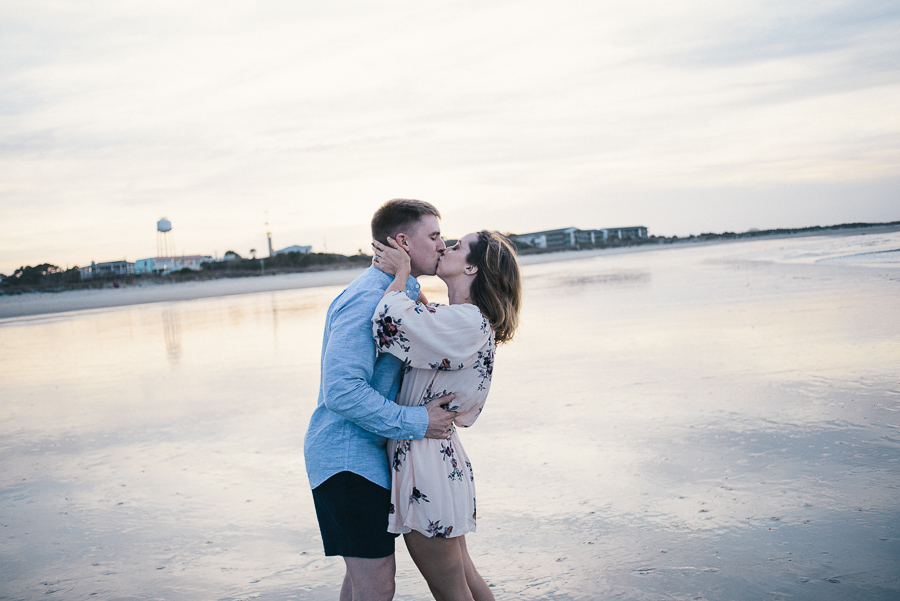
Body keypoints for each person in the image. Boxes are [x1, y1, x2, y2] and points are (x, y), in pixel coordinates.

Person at [304, 199, 460, 601]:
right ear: (403, 242)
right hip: (346, 459)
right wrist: (419, 422)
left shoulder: (401, 293)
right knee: (377, 586)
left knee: (360, 583)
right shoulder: (365, 299)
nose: (443, 245)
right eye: (435, 236)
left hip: (362, 457)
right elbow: (341, 390)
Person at [370, 230, 522, 601]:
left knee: (451, 592)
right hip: (438, 458)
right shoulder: (462, 320)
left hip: (427, 463)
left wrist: (401, 273)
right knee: (464, 580)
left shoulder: (465, 322)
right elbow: (422, 321)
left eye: (457, 246)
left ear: (471, 267)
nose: (446, 247)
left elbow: (387, 321)